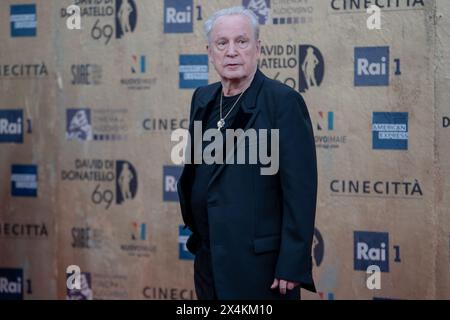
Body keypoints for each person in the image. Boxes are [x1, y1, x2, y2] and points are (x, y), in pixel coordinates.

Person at [177, 6, 317, 300]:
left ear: (257, 49)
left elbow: (300, 192)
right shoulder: (202, 99)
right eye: (222, 43)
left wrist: (292, 264)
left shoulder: (283, 102)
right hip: (209, 259)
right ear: (210, 52)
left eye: (241, 42)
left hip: (260, 268)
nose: (231, 52)